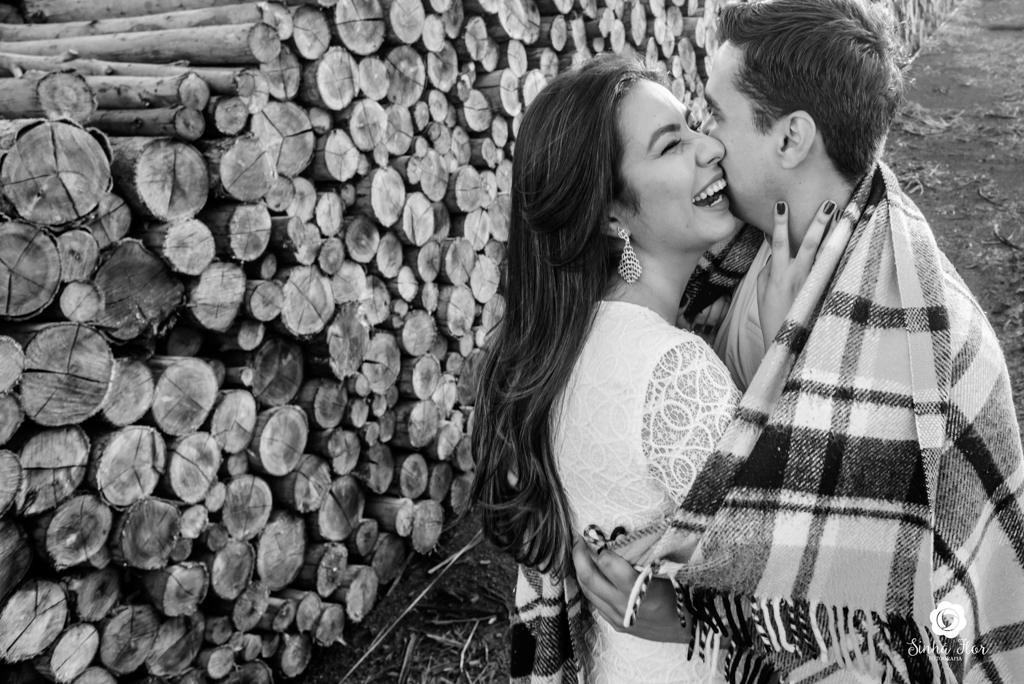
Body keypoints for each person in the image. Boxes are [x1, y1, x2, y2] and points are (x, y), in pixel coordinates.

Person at [572, 0, 1024, 682]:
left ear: (790, 139)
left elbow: (927, 634)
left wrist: (695, 616)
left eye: (715, 115)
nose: (706, 142)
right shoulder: (752, 252)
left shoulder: (913, 346)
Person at [468, 54, 833, 683]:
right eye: (670, 145)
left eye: (693, 124)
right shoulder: (673, 372)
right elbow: (802, 573)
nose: (709, 147)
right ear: (610, 214)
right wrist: (786, 355)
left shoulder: (570, 338)